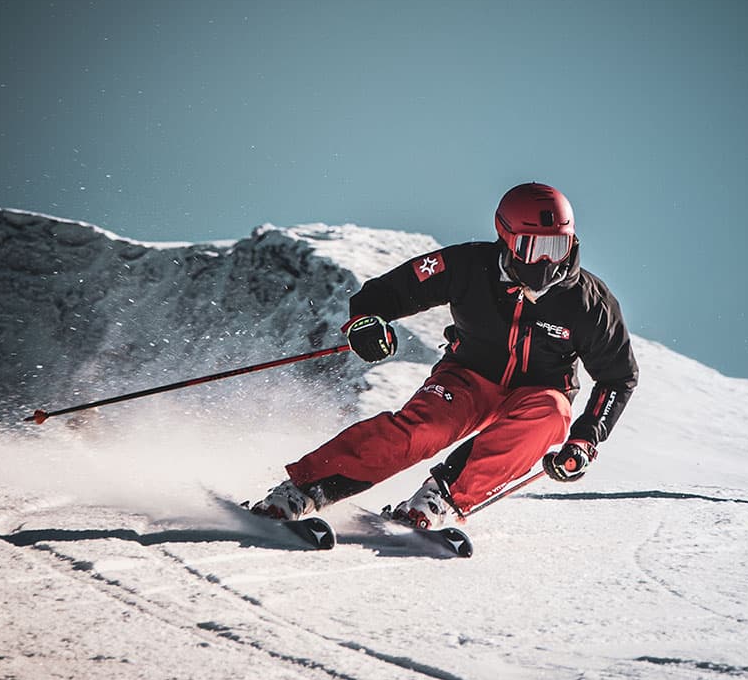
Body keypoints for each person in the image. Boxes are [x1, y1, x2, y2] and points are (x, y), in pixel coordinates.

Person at [252, 182, 639, 528]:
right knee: (423, 430)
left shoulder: (590, 303)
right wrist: (367, 322)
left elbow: (617, 377)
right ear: (505, 238)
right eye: (531, 248)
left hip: (537, 394)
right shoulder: (468, 267)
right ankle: (302, 490)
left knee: (551, 416)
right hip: (467, 378)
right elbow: (389, 291)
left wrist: (586, 438)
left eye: (556, 247)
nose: (545, 262)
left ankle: (440, 499)